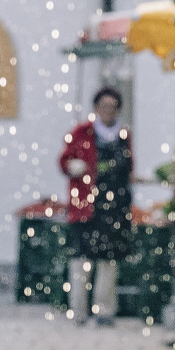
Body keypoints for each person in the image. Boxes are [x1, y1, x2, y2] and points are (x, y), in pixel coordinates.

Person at [59, 88, 134, 326]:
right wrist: (74, 167)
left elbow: (128, 167)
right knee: (81, 259)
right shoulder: (82, 132)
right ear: (96, 108)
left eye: (112, 106)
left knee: (108, 260)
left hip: (114, 207)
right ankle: (79, 310)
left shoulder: (123, 135)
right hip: (86, 205)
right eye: (104, 106)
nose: (108, 111)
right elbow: (64, 160)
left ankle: (104, 310)